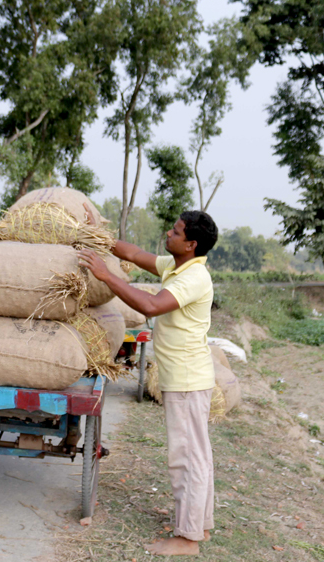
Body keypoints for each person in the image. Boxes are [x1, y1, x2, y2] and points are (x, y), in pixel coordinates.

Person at [78, 207, 219, 556]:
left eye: (176, 232)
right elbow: (134, 254)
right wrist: (100, 236)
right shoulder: (178, 265)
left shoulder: (193, 278)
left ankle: (187, 540)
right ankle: (198, 526)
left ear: (192, 244)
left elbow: (151, 306)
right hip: (186, 377)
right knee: (196, 454)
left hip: (187, 379)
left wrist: (106, 277)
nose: (168, 235)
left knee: (186, 457)